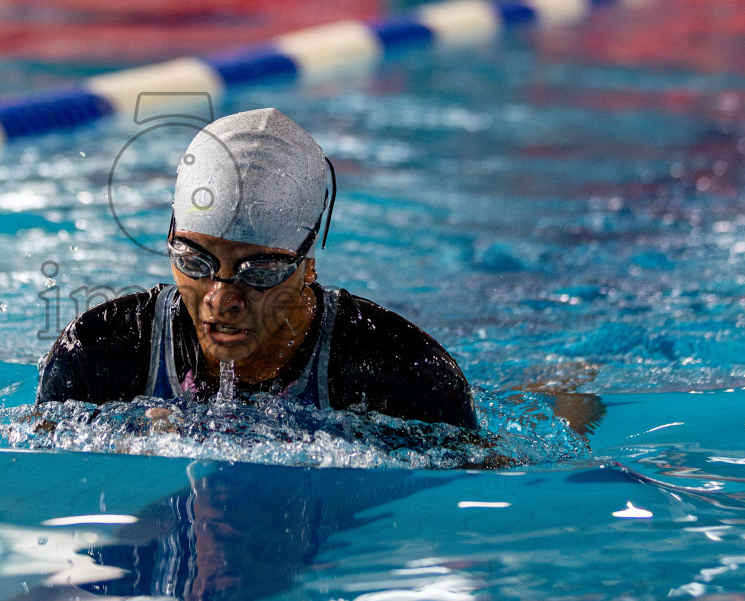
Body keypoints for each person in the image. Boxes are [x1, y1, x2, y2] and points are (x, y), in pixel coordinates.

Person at [38, 108, 477, 427]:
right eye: (194, 261)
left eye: (259, 272)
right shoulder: (97, 354)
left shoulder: (402, 373)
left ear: (308, 265)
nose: (221, 299)